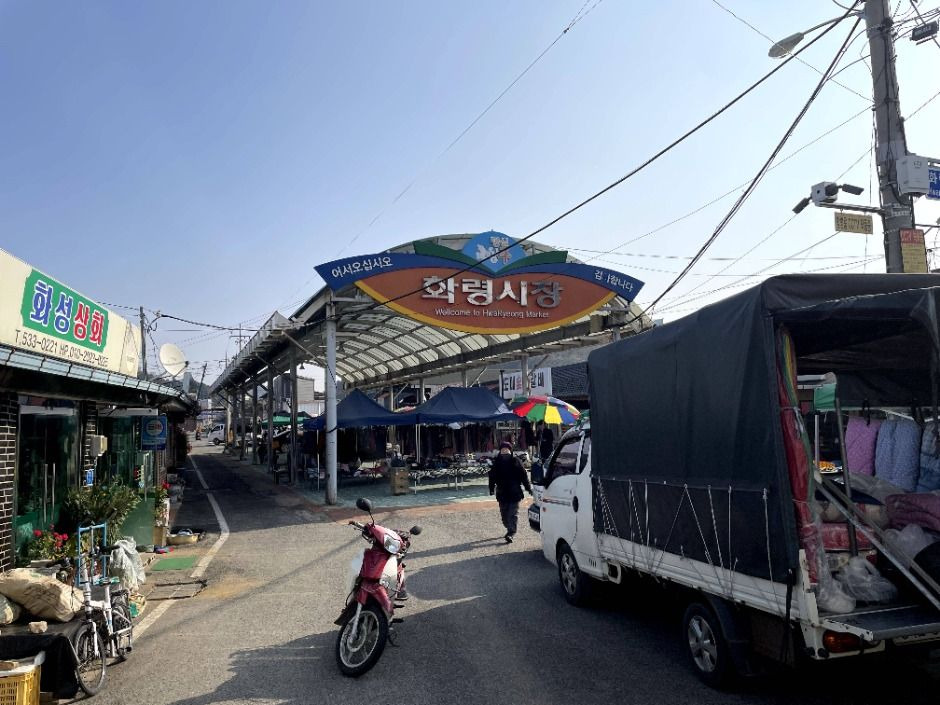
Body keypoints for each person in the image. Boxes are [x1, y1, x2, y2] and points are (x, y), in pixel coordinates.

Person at [488, 441, 531, 543]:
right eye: (503, 449)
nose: (505, 451)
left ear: (510, 450)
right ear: (500, 451)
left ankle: (511, 533)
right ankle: (509, 527)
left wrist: (528, 488)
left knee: (513, 513)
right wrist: (491, 488)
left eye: (506, 449)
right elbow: (492, 477)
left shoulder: (516, 461)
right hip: (502, 493)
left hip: (514, 492)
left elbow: (523, 476)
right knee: (504, 515)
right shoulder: (497, 462)